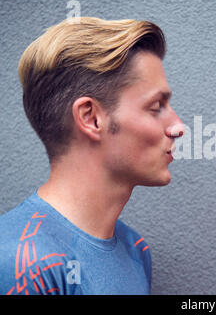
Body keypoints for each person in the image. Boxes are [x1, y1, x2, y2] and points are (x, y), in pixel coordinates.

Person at [0, 17, 185, 295]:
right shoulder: (21, 263)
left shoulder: (136, 250)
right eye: (156, 106)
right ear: (91, 118)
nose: (178, 126)